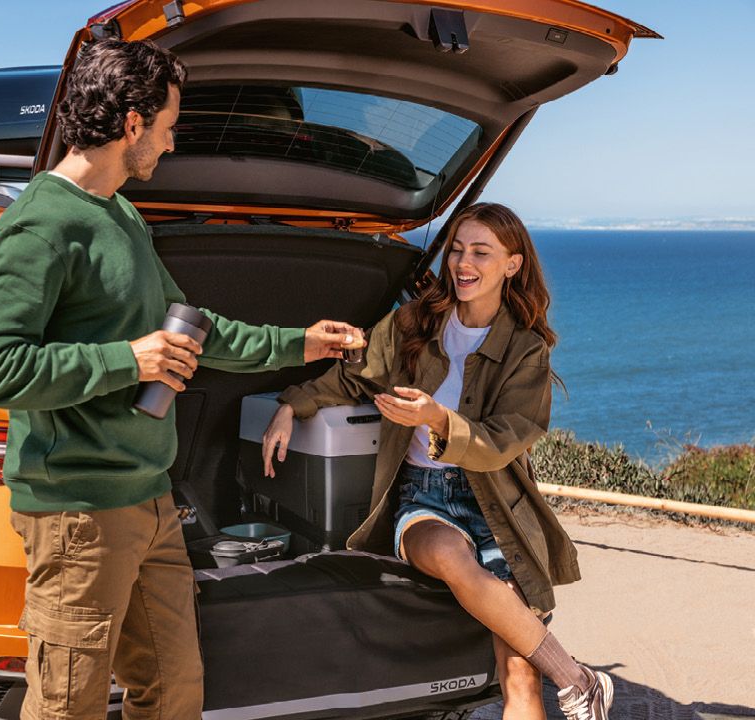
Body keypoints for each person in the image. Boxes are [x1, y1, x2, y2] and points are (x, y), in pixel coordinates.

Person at [0, 38, 358, 720]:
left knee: (172, 692)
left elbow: (190, 329)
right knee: (67, 706)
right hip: (78, 514)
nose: (169, 146)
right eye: (167, 128)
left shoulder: (120, 215)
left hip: (148, 501)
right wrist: (125, 361)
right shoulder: (40, 226)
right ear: (132, 124)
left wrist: (303, 342)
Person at [262, 202, 611, 720]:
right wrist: (293, 403)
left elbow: (508, 438)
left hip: (497, 508)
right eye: (457, 250)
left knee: (519, 675)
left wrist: (439, 420)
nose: (462, 263)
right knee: (449, 555)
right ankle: (577, 679)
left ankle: (569, 681)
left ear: (512, 265)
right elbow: (356, 374)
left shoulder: (527, 349)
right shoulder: (416, 320)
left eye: (481, 253)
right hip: (424, 499)